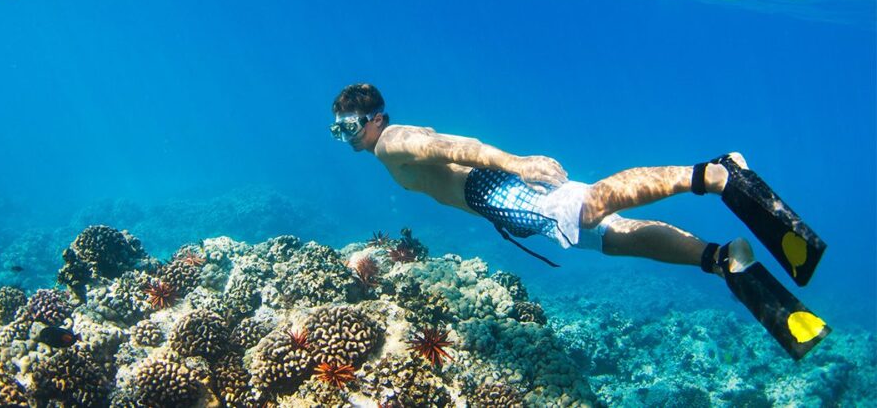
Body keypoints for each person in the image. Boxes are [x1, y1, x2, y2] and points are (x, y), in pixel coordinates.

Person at [330, 83, 830, 359]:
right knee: (614, 237)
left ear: (375, 118)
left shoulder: (392, 141)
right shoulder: (388, 146)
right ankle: (720, 259)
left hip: (498, 190)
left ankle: (715, 174)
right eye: (337, 131)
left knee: (592, 205)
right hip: (499, 203)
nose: (347, 137)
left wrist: (515, 164)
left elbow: (452, 147)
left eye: (350, 126)